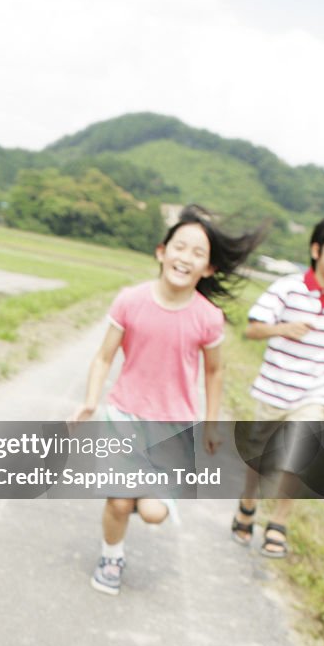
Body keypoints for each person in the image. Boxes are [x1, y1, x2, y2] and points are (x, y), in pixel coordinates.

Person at [70, 205, 265, 596]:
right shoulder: (130, 300)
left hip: (172, 426)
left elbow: (214, 372)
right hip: (123, 415)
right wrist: (92, 401)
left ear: (208, 269)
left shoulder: (207, 318)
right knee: (120, 504)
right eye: (180, 247)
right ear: (162, 252)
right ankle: (111, 556)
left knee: (154, 513)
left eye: (198, 253)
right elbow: (104, 356)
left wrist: (210, 423)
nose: (186, 257)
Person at [230, 214, 324, 558]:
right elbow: (253, 328)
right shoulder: (287, 287)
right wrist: (283, 329)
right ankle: (248, 505)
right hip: (276, 386)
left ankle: (279, 523)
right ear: (317, 249)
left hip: (318, 388)